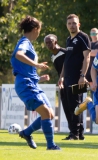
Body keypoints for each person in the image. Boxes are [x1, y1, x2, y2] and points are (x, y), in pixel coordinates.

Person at [10, 15, 60, 150]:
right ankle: (51, 146)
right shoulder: (25, 42)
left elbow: (24, 69)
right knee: (45, 113)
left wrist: (39, 78)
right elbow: (19, 55)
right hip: (25, 84)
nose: (39, 33)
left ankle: (26, 133)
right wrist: (37, 65)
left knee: (49, 114)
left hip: (31, 83)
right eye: (39, 29)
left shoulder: (28, 43)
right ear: (35, 29)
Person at [58, 14, 91, 140]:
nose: (72, 25)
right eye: (69, 23)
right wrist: (61, 76)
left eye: (74, 23)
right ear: (67, 25)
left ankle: (75, 134)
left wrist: (83, 75)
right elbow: (67, 60)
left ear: (79, 24)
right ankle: (78, 133)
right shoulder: (68, 40)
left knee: (76, 105)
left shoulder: (83, 37)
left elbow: (87, 57)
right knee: (69, 106)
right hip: (67, 77)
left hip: (78, 77)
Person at [44, 34, 70, 139]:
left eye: (50, 42)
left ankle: (76, 133)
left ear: (56, 41)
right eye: (46, 43)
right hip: (62, 84)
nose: (48, 44)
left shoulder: (64, 52)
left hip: (71, 82)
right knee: (66, 108)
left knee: (74, 107)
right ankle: (72, 132)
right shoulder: (52, 56)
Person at [86, 28, 98, 93]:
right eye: (92, 34)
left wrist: (87, 52)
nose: (93, 35)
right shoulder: (89, 44)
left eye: (95, 33)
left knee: (97, 91)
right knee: (89, 92)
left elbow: (97, 53)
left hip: (97, 72)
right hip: (88, 72)